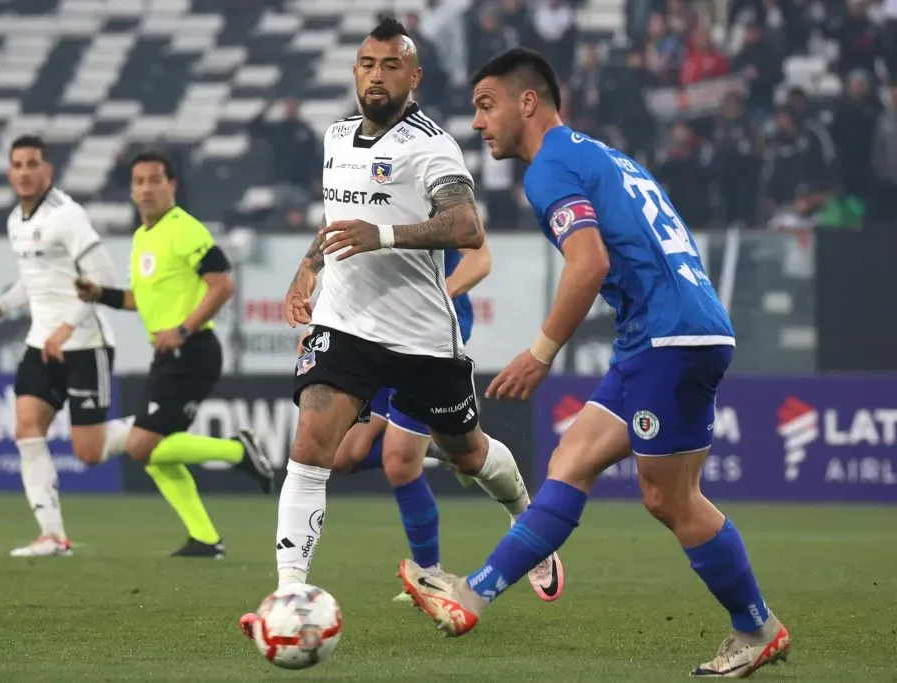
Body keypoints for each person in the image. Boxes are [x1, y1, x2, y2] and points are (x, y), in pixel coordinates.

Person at [397, 48, 791, 678]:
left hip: (670, 338)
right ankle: (471, 596)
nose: (477, 122)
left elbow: (590, 264)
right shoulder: (596, 153)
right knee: (572, 460)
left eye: (486, 104)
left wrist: (540, 352)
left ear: (528, 102)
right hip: (661, 334)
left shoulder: (549, 168)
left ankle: (757, 628)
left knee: (670, 499)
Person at [240, 17, 552, 628]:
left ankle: (525, 515)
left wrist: (381, 236)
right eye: (366, 64)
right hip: (345, 325)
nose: (376, 75)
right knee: (310, 451)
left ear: (414, 77)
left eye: (389, 66)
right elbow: (338, 217)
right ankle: (287, 594)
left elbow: (468, 228)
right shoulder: (334, 137)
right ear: (355, 71)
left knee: (467, 455)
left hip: (421, 338)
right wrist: (308, 270)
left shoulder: (431, 145)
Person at [329, 243, 565, 605]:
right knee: (342, 455)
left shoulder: (430, 190)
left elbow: (481, 256)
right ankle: (443, 447)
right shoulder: (354, 192)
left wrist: (440, 294)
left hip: (427, 338)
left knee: (400, 460)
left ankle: (448, 565)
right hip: (372, 337)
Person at [75, 150, 274, 557]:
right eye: (139, 182)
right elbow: (139, 300)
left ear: (172, 185)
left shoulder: (185, 229)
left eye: (154, 180)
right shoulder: (142, 237)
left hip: (193, 351)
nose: (146, 189)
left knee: (140, 447)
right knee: (155, 454)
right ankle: (204, 537)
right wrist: (101, 295)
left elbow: (222, 286)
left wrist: (183, 330)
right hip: (171, 355)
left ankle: (237, 451)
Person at [0, 135, 133, 558]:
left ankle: (152, 425)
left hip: (85, 344)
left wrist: (67, 327)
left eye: (32, 164)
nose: (24, 172)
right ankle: (52, 536)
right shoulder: (15, 221)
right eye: (17, 165)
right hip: (40, 344)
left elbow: (106, 279)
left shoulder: (68, 216)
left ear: (48, 171)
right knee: (26, 429)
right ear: (10, 172)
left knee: (89, 452)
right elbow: (34, 279)